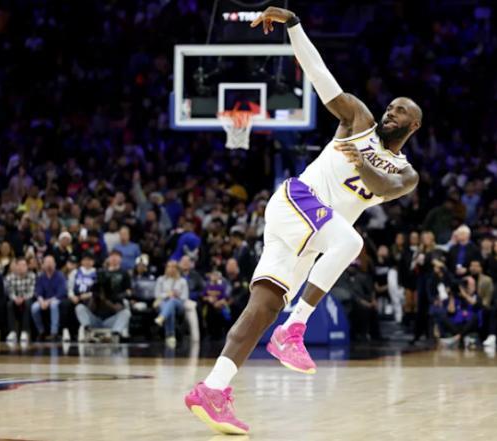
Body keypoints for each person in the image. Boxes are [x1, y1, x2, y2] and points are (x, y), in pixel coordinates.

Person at [185, 6, 422, 434]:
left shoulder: (406, 173)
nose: (390, 112)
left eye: (400, 111)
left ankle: (212, 389)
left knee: (263, 308)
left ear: (414, 125)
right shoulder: (359, 120)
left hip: (311, 236)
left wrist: (362, 165)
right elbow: (319, 74)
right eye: (390, 106)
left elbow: (384, 187)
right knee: (351, 242)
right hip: (298, 201)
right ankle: (294, 328)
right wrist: (294, 26)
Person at [75, 277, 132, 343]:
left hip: (109, 322)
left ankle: (115, 334)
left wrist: (105, 301)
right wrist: (93, 298)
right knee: (79, 307)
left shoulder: (113, 295)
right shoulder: (94, 297)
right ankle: (88, 330)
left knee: (126, 312)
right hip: (96, 321)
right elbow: (90, 310)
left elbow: (118, 309)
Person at [430, 276, 482, 348]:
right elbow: (451, 311)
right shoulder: (457, 297)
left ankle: (458, 337)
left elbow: (476, 305)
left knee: (475, 317)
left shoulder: (476, 297)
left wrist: (465, 294)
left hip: (468, 324)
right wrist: (452, 295)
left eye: (471, 285)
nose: (469, 287)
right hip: (457, 324)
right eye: (468, 285)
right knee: (443, 316)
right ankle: (460, 337)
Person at [31, 255, 67, 341]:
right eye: (47, 262)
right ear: (43, 265)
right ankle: (41, 331)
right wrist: (41, 301)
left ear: (55, 264)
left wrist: (48, 301)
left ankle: (54, 332)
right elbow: (38, 292)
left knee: (53, 305)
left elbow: (61, 293)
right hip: (44, 300)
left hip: (57, 299)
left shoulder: (60, 276)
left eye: (51, 262)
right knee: (34, 307)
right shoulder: (41, 277)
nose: (49, 265)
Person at [154, 260, 189, 346]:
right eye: (169, 267)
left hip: (179, 304)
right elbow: (157, 295)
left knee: (172, 301)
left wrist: (176, 295)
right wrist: (167, 294)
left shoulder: (182, 281)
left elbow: (185, 297)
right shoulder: (160, 280)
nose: (171, 269)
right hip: (163, 303)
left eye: (173, 267)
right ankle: (170, 336)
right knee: (170, 308)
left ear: (177, 269)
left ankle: (162, 317)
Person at [4, 257, 36, 343]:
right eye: (20, 265)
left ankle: (24, 332)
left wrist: (23, 298)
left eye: (24, 265)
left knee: (28, 303)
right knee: (9, 304)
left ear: (27, 266)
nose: (22, 267)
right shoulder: (10, 277)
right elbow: (9, 292)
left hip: (27, 299)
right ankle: (12, 332)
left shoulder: (32, 276)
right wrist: (15, 299)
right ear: (16, 266)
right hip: (15, 300)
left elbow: (32, 292)